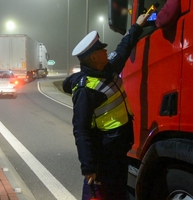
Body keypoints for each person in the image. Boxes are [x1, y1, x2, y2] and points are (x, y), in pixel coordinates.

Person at [62, 14, 149, 200]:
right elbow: (81, 130)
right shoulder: (86, 89)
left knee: (117, 193)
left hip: (118, 149)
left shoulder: (107, 69)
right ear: (93, 57)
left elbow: (123, 48)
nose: (106, 51)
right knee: (99, 195)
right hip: (103, 156)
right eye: (101, 50)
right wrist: (88, 168)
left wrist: (137, 25)